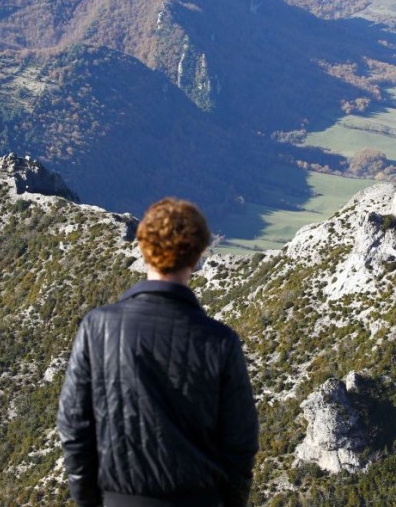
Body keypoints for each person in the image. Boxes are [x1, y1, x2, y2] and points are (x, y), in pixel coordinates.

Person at [57, 198, 259, 507]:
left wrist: (90, 500)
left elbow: (74, 425)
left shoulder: (98, 327)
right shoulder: (220, 341)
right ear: (197, 255)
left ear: (143, 248)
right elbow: (241, 443)